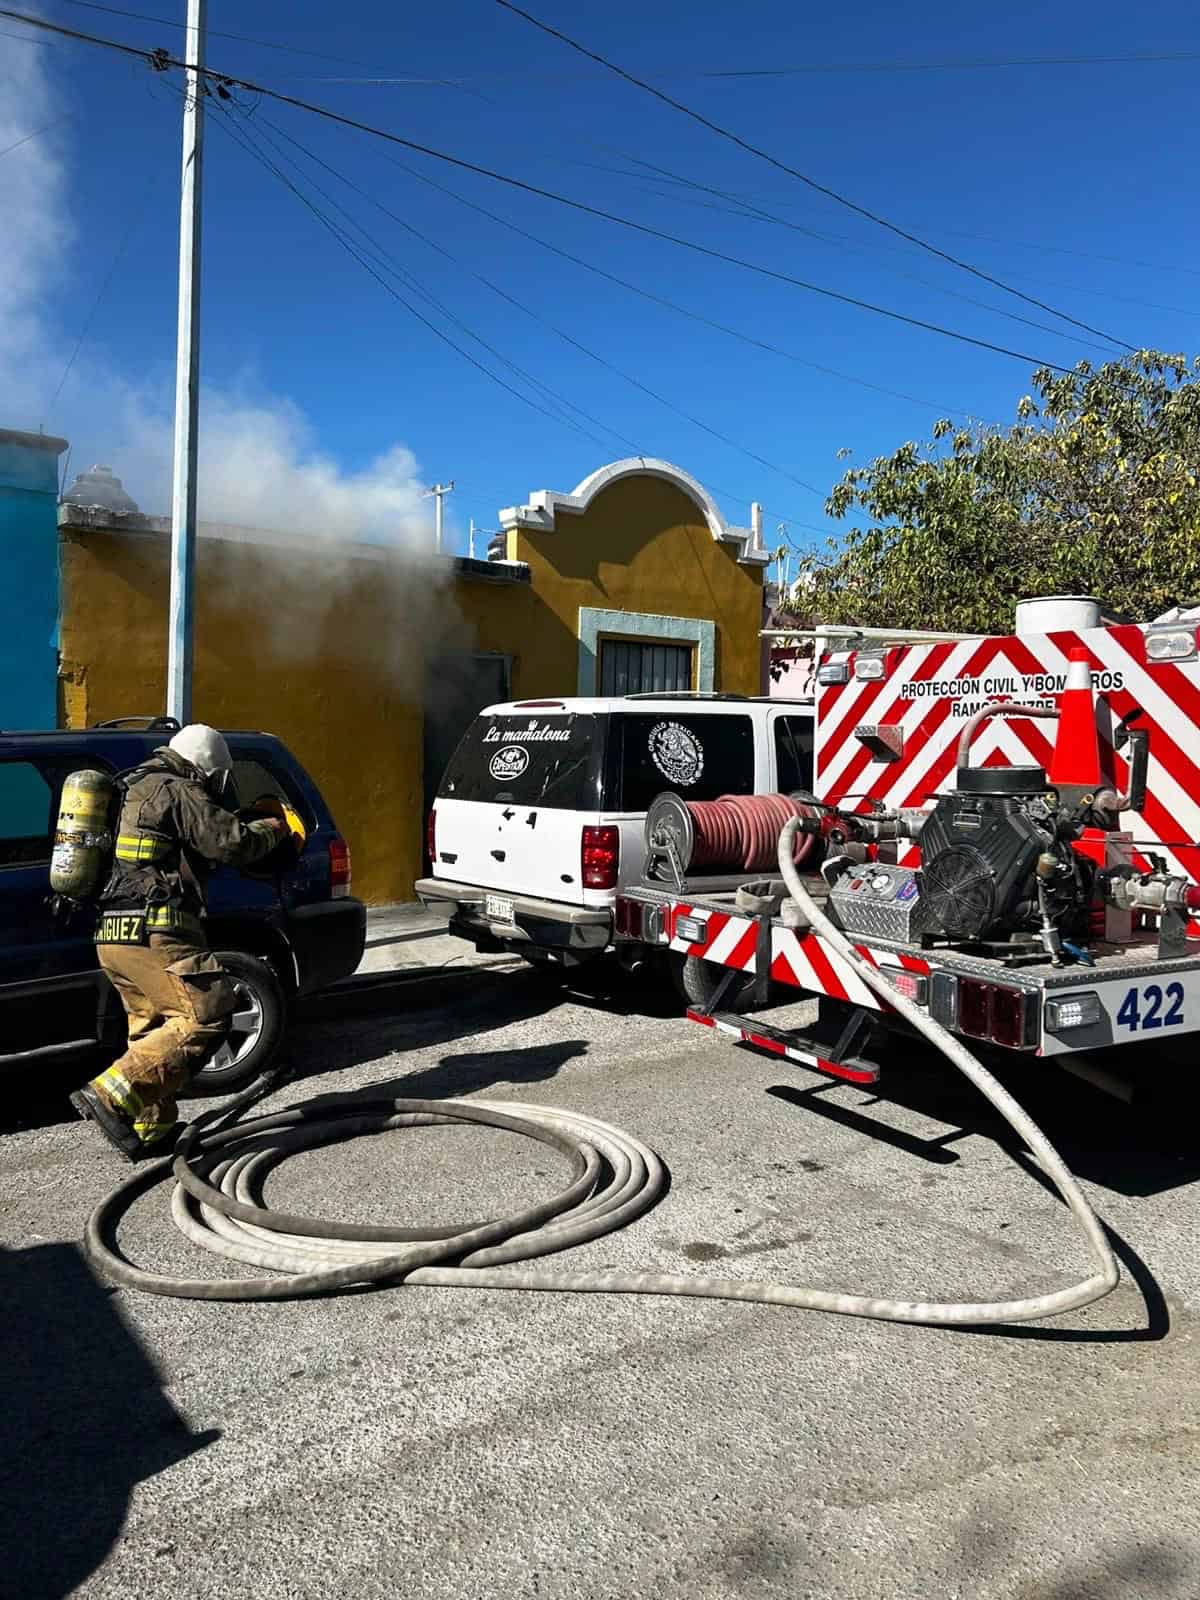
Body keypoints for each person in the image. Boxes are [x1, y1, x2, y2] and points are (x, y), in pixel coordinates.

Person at [70, 724, 287, 1160]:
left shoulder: (129, 786)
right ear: (205, 767)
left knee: (153, 1027)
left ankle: (151, 1128)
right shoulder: (178, 787)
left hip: (113, 937)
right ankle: (112, 1095)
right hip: (157, 931)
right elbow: (231, 842)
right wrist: (274, 827)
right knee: (209, 1010)